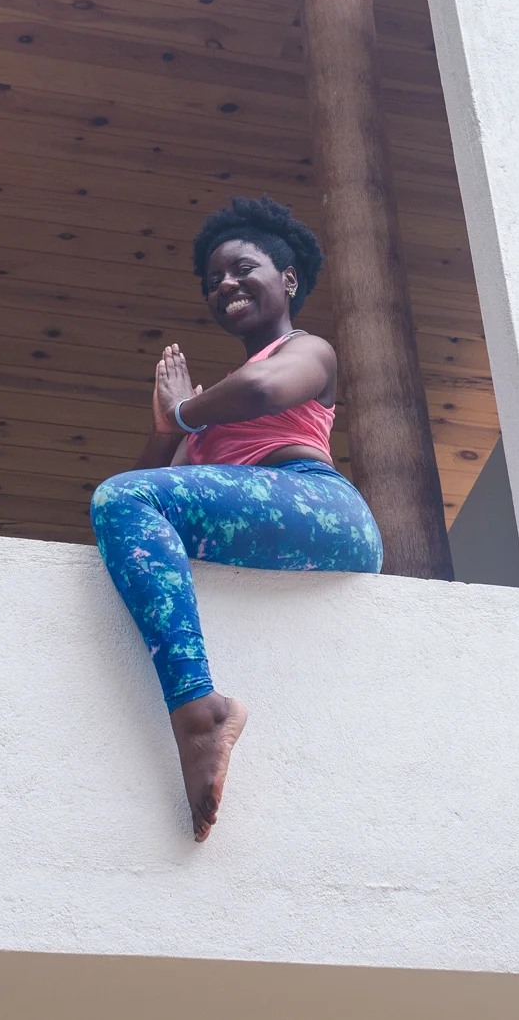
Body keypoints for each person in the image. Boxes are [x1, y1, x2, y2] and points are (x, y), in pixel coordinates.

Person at [90, 195, 385, 841]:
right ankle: (201, 712)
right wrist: (168, 424)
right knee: (119, 501)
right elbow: (145, 484)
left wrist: (190, 410)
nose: (224, 284)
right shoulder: (210, 401)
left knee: (123, 497)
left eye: (241, 267)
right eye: (212, 279)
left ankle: (200, 714)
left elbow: (262, 391)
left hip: (322, 504)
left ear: (288, 278)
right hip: (258, 506)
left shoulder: (309, 350)